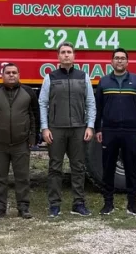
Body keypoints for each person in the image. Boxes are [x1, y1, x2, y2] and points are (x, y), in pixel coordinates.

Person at [39, 42, 96, 218]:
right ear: (58, 57)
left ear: (74, 56)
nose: (66, 55)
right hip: (56, 129)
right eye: (63, 52)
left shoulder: (83, 77)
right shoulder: (50, 77)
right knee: (55, 168)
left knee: (78, 167)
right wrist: (44, 128)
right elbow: (43, 103)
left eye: (69, 52)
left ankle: (78, 204)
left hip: (78, 128)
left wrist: (90, 126)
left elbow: (91, 103)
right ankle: (54, 205)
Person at [94, 48, 136, 216]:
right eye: (116, 58)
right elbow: (98, 108)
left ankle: (132, 204)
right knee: (108, 168)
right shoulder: (104, 82)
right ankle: (108, 203)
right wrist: (98, 129)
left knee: (131, 168)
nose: (119, 61)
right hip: (109, 131)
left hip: (130, 131)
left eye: (122, 58)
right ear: (111, 62)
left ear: (127, 62)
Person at [0, 63, 39, 218]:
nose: (11, 75)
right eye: (8, 72)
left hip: (21, 143)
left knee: (22, 177)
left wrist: (33, 137)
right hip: (0, 144)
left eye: (14, 72)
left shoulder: (28, 93)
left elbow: (34, 115)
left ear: (19, 74)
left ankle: (23, 207)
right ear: (2, 75)